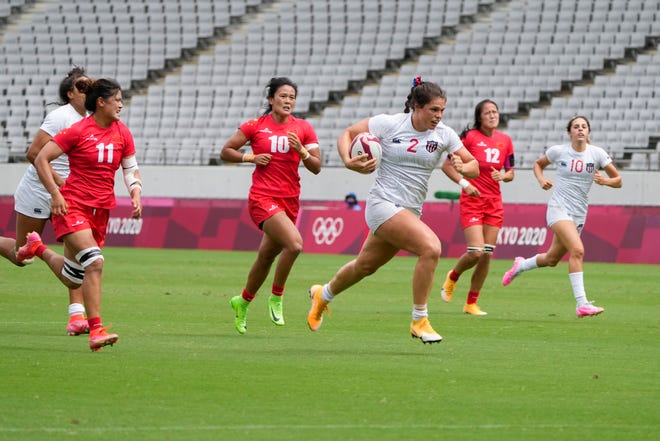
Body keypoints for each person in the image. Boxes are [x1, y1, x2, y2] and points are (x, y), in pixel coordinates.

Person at [307, 77, 479, 344]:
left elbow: (474, 166)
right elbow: (348, 134)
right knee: (431, 248)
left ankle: (323, 294)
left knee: (364, 266)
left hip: (409, 211)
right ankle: (419, 319)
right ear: (417, 107)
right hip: (382, 203)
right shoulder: (390, 123)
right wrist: (348, 161)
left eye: (442, 110)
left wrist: (464, 167)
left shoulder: (445, 134)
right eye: (434, 109)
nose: (439, 116)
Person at [16, 78, 143, 351]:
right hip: (73, 205)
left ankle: (37, 248)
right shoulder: (77, 130)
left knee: (73, 277)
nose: (121, 104)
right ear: (101, 102)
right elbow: (40, 158)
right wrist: (55, 193)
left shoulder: (123, 133)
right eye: (117, 99)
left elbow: (130, 167)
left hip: (101, 210)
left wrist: (135, 191)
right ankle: (96, 329)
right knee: (95, 262)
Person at [220, 77, 321, 335]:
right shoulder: (255, 126)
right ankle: (276, 296)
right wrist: (250, 156)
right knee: (295, 245)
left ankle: (242, 302)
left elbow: (317, 167)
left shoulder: (303, 128)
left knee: (265, 257)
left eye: (292, 97)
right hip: (262, 198)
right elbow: (226, 151)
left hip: (290, 200)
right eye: (283, 96)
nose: (288, 101)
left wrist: (303, 152)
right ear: (271, 100)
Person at [0, 66, 91, 335]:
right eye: (83, 87)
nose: (89, 90)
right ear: (70, 93)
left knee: (78, 255)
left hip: (69, 194)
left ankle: (77, 317)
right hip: (40, 190)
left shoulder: (92, 118)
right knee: (21, 256)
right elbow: (33, 153)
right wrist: (56, 183)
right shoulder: (60, 116)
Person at [501, 115, 621, 317]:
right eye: (576, 126)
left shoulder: (597, 154)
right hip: (558, 208)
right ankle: (582, 304)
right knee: (578, 250)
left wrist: (605, 182)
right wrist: (541, 180)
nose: (580, 129)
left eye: (584, 126)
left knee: (551, 259)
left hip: (579, 213)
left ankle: (520, 265)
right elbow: (538, 164)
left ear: (588, 132)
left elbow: (618, 180)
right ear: (569, 132)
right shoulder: (559, 151)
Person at [440, 99, 515, 316]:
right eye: (488, 113)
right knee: (476, 251)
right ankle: (453, 276)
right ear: (479, 117)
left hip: (494, 202)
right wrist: (465, 183)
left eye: (495, 112)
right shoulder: (469, 138)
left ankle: (471, 303)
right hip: (472, 200)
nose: (493, 115)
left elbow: (511, 172)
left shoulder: (506, 140)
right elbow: (447, 166)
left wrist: (504, 176)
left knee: (486, 255)